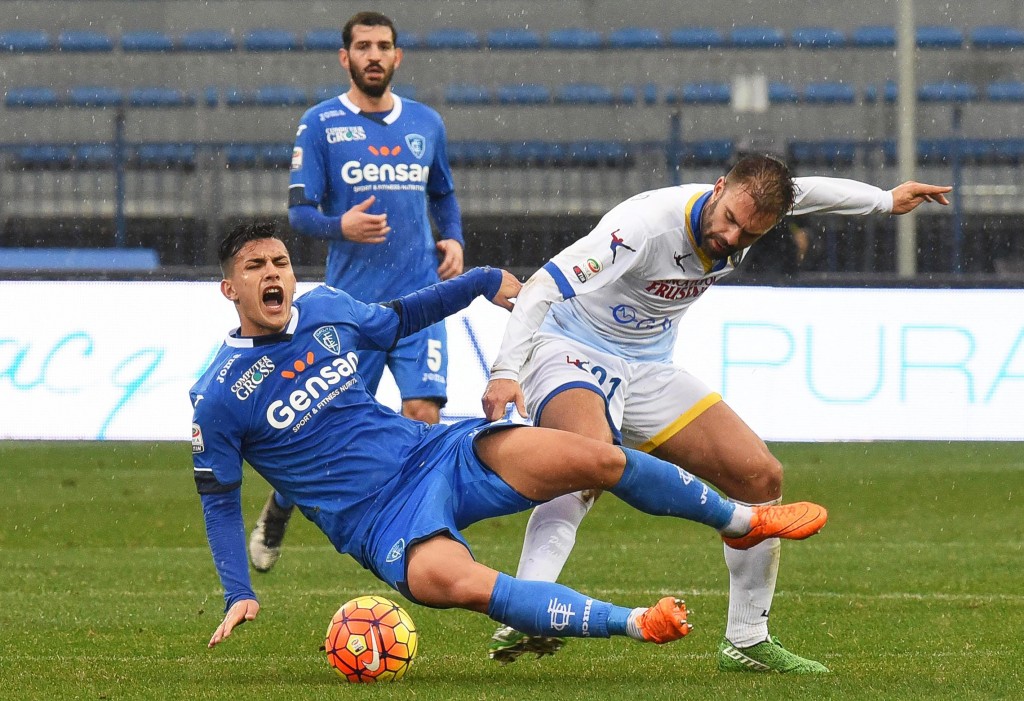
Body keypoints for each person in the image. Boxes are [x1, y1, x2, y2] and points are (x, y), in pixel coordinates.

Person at [192, 221, 831, 654]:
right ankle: (637, 623)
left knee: (597, 459)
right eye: (255, 266)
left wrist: (479, 281)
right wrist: (239, 591)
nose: (273, 273)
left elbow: (401, 318)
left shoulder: (327, 308)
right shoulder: (218, 394)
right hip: (376, 522)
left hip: (434, 450)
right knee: (463, 586)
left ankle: (741, 519)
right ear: (230, 288)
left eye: (279, 261)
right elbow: (219, 497)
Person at [480, 154, 952, 672]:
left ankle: (746, 640)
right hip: (568, 347)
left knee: (760, 474)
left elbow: (811, 190)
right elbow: (544, 287)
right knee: (587, 463)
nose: (731, 237)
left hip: (648, 366)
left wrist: (885, 200)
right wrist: (505, 371)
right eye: (728, 218)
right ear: (719, 186)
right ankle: (526, 611)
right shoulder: (643, 227)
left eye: (749, 233)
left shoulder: (756, 206)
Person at [250, 11, 466, 571]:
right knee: (325, 432)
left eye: (384, 46)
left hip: (419, 303)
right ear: (345, 58)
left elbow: (442, 194)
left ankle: (420, 531)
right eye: (363, 47)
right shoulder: (321, 124)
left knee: (422, 415)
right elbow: (298, 213)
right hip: (351, 311)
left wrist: (454, 241)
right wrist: (338, 226)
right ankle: (280, 507)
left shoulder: (426, 124)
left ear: (398, 57)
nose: (374, 55)